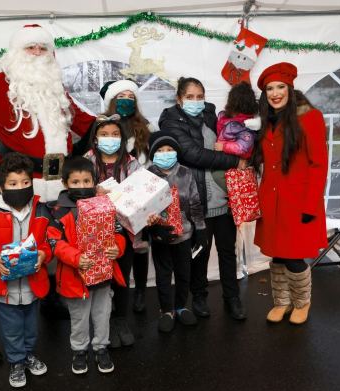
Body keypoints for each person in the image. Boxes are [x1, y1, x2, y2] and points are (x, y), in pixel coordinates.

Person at [158, 77, 248, 321]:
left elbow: (232, 139)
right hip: (197, 201)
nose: (196, 101)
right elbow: (194, 154)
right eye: (190, 97)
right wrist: (233, 160)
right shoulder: (171, 121)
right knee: (200, 253)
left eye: (200, 96)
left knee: (228, 252)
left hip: (224, 199)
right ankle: (199, 297)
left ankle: (233, 299)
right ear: (179, 99)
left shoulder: (212, 116)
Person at [0, 24, 94, 202]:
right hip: (19, 183)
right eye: (31, 47)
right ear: (17, 52)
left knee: (58, 229)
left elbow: (84, 122)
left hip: (60, 183)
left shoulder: (55, 87)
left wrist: (121, 124)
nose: (38, 52)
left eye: (43, 48)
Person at [252, 62, 328, 325]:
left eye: (280, 87)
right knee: (277, 255)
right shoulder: (266, 121)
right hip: (271, 201)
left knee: (294, 257)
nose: (275, 93)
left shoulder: (310, 117)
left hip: (298, 201)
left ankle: (301, 302)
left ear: (290, 88)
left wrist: (310, 206)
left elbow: (318, 165)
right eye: (270, 89)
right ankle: (281, 302)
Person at [0, 153, 52, 388]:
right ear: (1, 187)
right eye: (13, 184)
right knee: (11, 329)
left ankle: (28, 355)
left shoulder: (41, 210)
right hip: (3, 286)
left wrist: (43, 254)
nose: (20, 187)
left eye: (25, 183)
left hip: (32, 283)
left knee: (31, 326)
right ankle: (16, 361)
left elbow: (50, 241)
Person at [46, 157, 126, 374]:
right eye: (75, 182)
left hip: (103, 276)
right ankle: (79, 351)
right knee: (79, 318)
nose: (82, 186)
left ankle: (101, 347)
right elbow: (54, 241)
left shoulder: (105, 205)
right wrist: (75, 257)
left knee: (102, 314)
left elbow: (118, 232)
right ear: (65, 183)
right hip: (75, 278)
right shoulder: (59, 211)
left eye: (86, 181)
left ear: (94, 181)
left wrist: (117, 248)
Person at [98, 80, 155, 313]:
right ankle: (111, 292)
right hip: (110, 193)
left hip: (139, 192)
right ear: (112, 99)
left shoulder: (146, 126)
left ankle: (139, 291)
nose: (126, 100)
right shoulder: (102, 124)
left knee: (139, 246)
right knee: (113, 245)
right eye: (121, 96)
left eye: (131, 97)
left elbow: (154, 155)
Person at [84, 115, 141, 347]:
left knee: (121, 278)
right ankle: (100, 326)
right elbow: (77, 190)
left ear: (123, 138)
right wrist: (93, 192)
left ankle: (120, 321)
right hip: (94, 232)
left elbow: (141, 194)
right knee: (98, 280)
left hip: (123, 231)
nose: (110, 139)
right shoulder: (86, 161)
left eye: (115, 135)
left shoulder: (132, 163)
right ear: (95, 139)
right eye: (104, 134)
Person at [145, 131, 207, 332]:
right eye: (160, 150)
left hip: (185, 234)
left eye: (169, 149)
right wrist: (153, 229)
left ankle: (181, 306)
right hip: (160, 234)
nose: (165, 153)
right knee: (163, 274)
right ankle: (166, 310)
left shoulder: (186, 173)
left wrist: (200, 229)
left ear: (176, 152)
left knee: (184, 273)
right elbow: (141, 207)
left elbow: (195, 202)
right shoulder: (147, 175)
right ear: (153, 154)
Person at [212, 81, 261, 191]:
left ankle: (235, 195)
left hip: (238, 160)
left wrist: (223, 146)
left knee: (217, 176)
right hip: (224, 158)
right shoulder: (224, 117)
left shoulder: (247, 124)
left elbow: (242, 147)